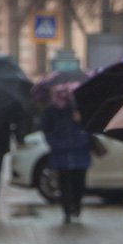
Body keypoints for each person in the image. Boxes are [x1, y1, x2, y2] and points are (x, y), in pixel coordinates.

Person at [38, 83, 93, 224]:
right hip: (61, 153)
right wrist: (55, 143)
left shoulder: (78, 109)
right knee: (64, 183)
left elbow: (90, 128)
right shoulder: (50, 111)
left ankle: (77, 206)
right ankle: (67, 210)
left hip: (80, 152)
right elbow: (46, 129)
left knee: (79, 183)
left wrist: (80, 122)